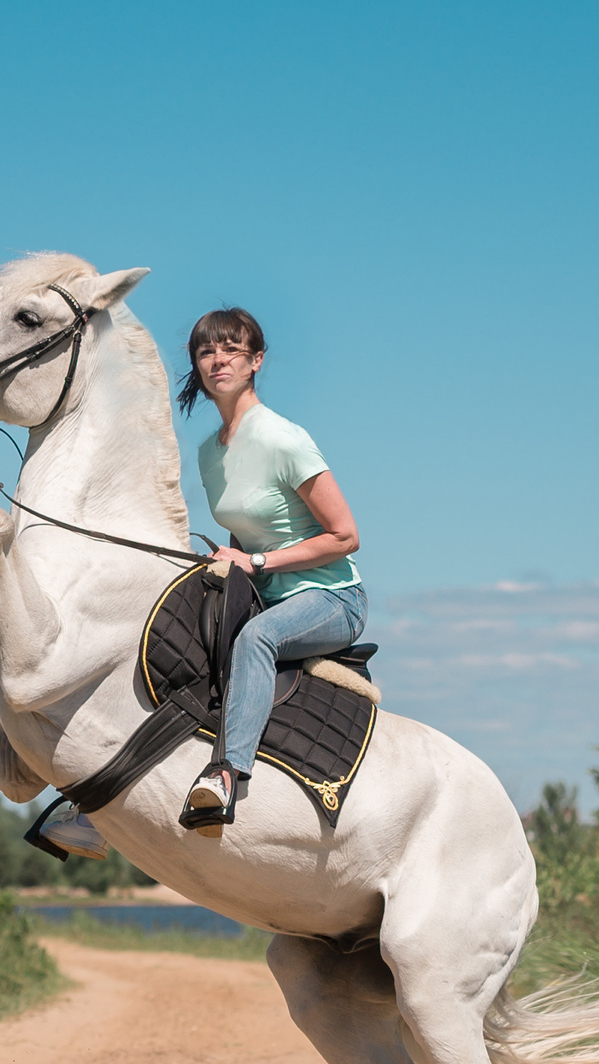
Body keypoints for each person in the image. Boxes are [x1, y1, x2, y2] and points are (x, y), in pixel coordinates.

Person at [35, 306, 364, 855]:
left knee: (257, 639)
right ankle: (105, 806)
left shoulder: (285, 439)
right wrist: (228, 555)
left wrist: (255, 565)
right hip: (261, 592)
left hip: (329, 597)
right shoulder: (210, 451)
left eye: (232, 350)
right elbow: (248, 534)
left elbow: (345, 536)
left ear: (256, 361)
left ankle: (227, 776)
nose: (218, 360)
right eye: (207, 351)